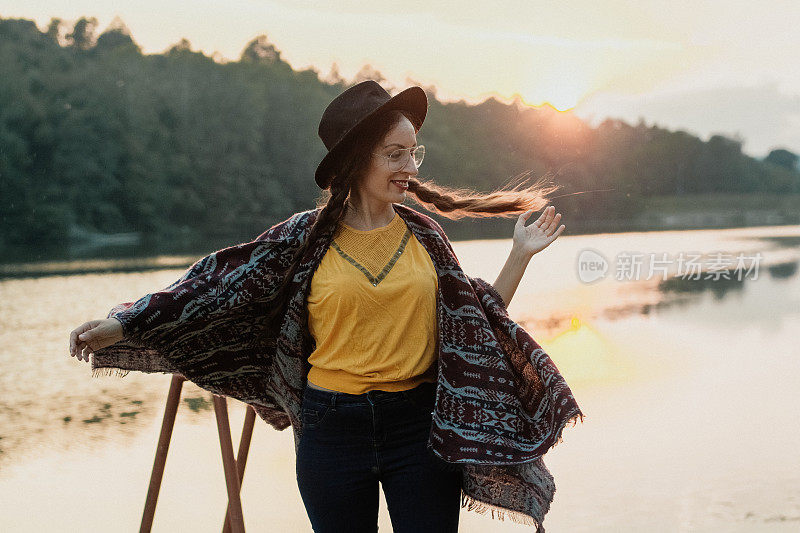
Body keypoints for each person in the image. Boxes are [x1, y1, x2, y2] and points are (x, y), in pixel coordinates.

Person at [69, 80, 576, 532]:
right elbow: (209, 288)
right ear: (358, 160)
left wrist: (520, 254)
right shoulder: (303, 240)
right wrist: (122, 324)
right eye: (395, 154)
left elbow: (476, 326)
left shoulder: (426, 238)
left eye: (413, 153)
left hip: (418, 432)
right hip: (333, 434)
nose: (410, 168)